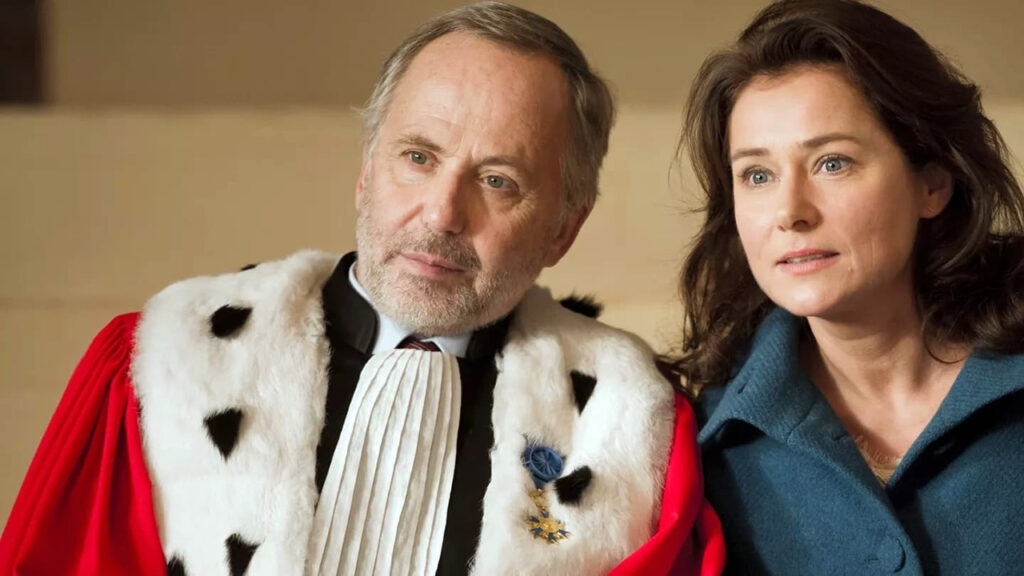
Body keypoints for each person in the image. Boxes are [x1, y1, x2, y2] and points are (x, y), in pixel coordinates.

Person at [1, 3, 724, 576]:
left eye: (498, 180)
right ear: (365, 172)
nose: (441, 213)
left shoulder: (629, 425)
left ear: (564, 228)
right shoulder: (163, 366)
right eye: (418, 157)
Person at [672, 0, 1024, 573]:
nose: (790, 212)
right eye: (757, 175)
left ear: (932, 185)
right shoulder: (698, 451)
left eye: (832, 163)